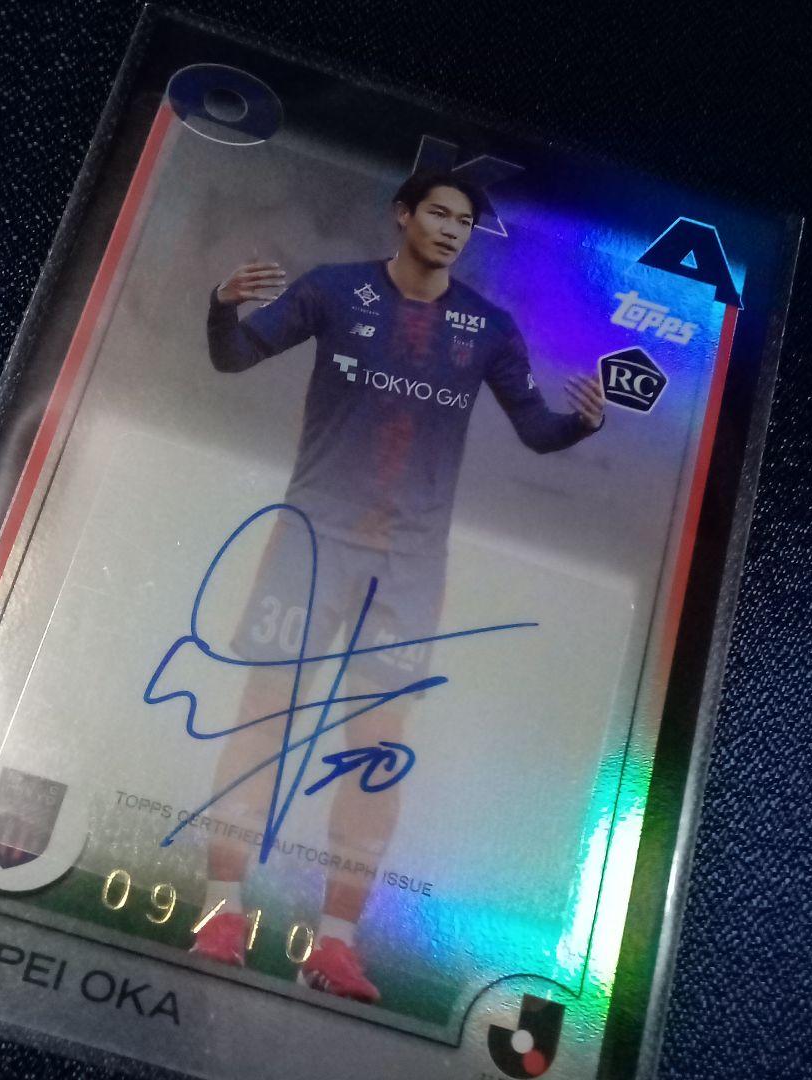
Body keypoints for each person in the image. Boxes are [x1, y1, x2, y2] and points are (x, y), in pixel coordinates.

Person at [193, 171, 605, 1003]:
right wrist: (220, 308)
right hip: (312, 544)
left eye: (464, 221)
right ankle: (220, 912)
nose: (451, 229)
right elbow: (234, 356)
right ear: (403, 216)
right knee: (266, 717)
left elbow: (534, 430)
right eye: (438, 213)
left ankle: (337, 945)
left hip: (409, 566)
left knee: (376, 747)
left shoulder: (488, 327)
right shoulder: (333, 290)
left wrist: (579, 425)